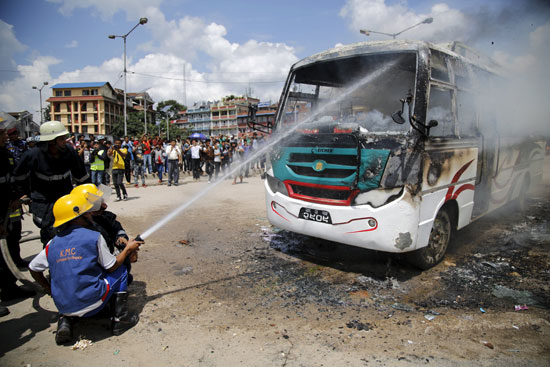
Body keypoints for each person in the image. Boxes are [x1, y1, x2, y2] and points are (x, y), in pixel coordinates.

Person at [28, 192, 142, 344]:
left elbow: (33, 267)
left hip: (63, 306)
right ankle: (121, 320)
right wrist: (128, 249)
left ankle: (66, 321)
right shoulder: (93, 237)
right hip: (91, 304)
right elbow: (112, 266)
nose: (90, 215)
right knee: (120, 271)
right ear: (78, 217)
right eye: (86, 213)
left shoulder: (52, 243)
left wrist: (48, 288)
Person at [13, 121, 90, 245]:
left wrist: (89, 196)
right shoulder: (32, 155)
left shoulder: (69, 152)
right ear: (51, 141)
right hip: (43, 201)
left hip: (65, 197)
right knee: (50, 232)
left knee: (71, 229)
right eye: (62, 139)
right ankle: (50, 258)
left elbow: (82, 176)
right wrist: (24, 194)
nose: (65, 141)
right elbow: (19, 177)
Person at [0, 126, 35, 314]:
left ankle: (9, 287)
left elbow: (12, 177)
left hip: (8, 207)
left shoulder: (5, 153)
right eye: (2, 133)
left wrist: (16, 197)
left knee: (11, 239)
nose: (5, 136)